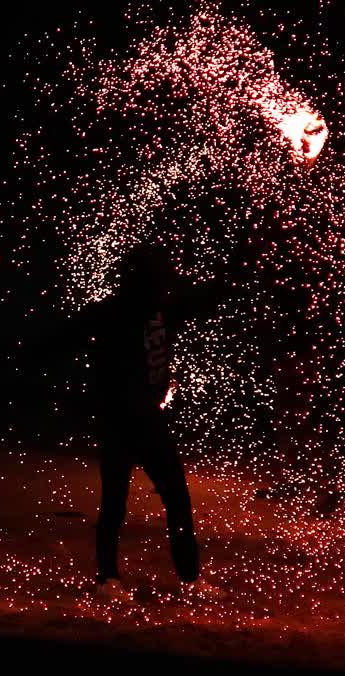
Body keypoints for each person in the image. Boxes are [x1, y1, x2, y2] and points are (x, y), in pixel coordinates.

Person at [82, 246, 226, 603]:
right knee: (115, 501)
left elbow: (207, 298)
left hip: (148, 421)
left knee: (176, 498)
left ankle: (189, 578)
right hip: (119, 422)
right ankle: (107, 579)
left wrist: (239, 265)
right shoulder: (112, 314)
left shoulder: (162, 310)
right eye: (160, 277)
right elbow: (72, 345)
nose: (166, 283)